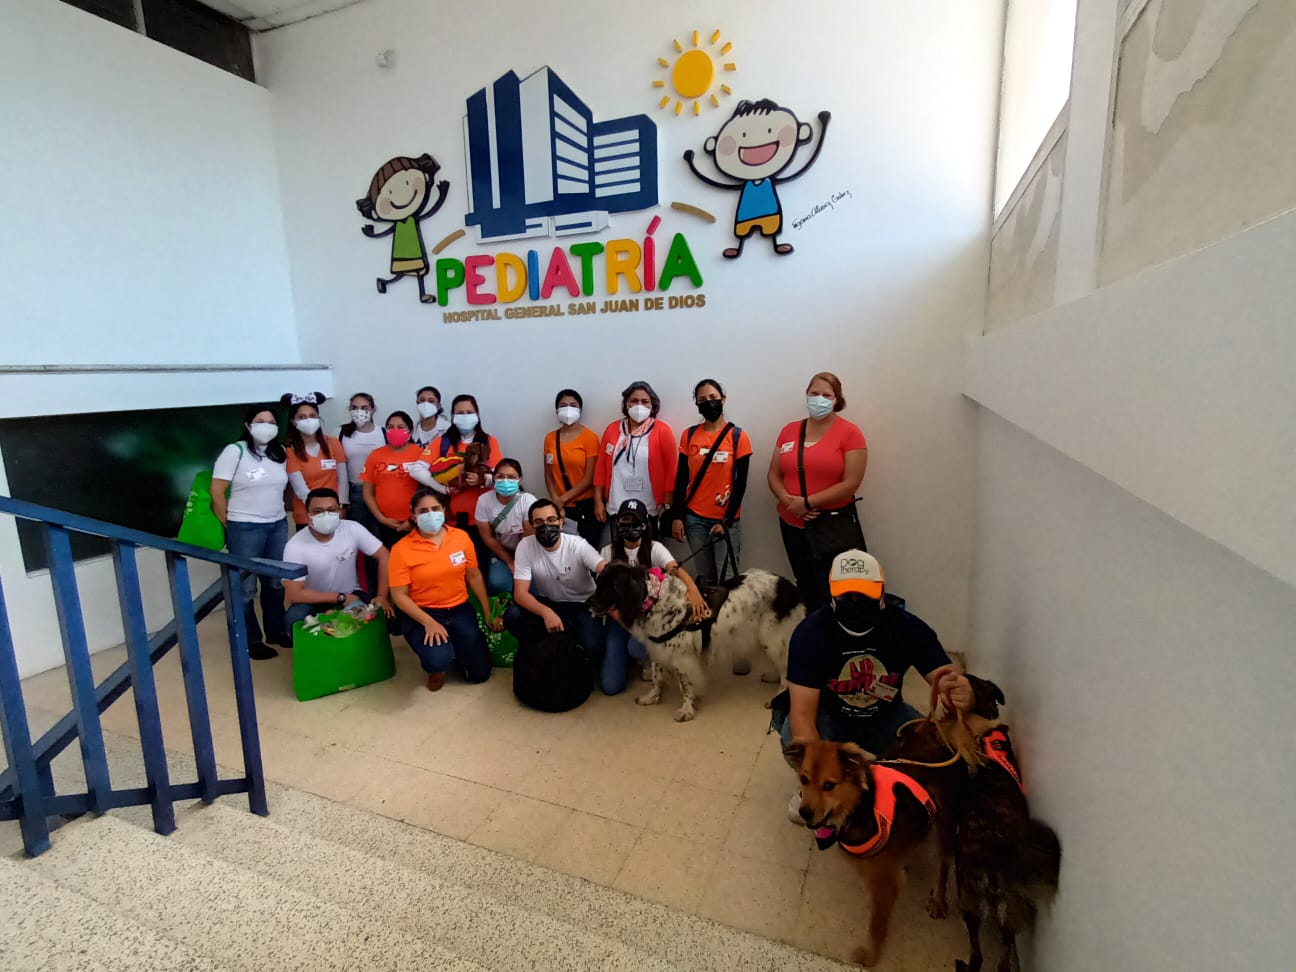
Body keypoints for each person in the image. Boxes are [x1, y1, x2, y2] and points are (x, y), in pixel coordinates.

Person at [775, 550, 973, 821]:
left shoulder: (907, 628)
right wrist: (818, 776)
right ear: (831, 595)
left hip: (886, 716)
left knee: (933, 749)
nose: (856, 602)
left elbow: (945, 677)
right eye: (847, 596)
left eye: (864, 595)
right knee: (793, 737)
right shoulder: (810, 634)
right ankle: (816, 787)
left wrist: (961, 692)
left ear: (881, 593)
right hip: (831, 718)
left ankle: (885, 785)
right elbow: (802, 714)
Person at [767, 371, 868, 611]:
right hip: (792, 523)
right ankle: (811, 627)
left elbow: (851, 483)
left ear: (837, 399)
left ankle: (833, 629)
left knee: (834, 586)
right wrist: (789, 503)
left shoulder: (850, 433)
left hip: (831, 526)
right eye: (814, 393)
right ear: (807, 394)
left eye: (827, 395)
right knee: (804, 582)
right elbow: (773, 473)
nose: (819, 399)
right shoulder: (789, 430)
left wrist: (807, 503)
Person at [388, 488, 501, 691]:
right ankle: (436, 669)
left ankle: (456, 648)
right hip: (423, 613)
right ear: (413, 515)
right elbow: (399, 596)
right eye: (423, 511)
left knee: (480, 674)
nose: (430, 514)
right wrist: (428, 622)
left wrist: (487, 611)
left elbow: (474, 576)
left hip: (459, 609)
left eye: (435, 508)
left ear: (444, 510)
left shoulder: (461, 537)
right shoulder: (401, 549)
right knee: (438, 658)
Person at [599, 499, 709, 695]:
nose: (629, 526)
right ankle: (630, 656)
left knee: (637, 648)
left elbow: (674, 569)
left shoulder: (654, 548)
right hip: (620, 618)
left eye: (635, 521)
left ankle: (646, 658)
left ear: (644, 525)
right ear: (617, 523)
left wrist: (693, 589)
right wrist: (629, 626)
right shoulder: (607, 552)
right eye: (625, 521)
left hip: (649, 616)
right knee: (611, 686)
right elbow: (605, 598)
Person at [210, 404, 290, 659]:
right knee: (245, 588)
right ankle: (252, 640)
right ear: (248, 425)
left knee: (275, 582)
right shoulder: (235, 451)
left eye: (271, 422)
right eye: (260, 421)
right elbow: (216, 491)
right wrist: (230, 524)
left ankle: (276, 631)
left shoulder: (280, 452)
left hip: (277, 524)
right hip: (244, 526)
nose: (267, 426)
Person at [504, 499, 607, 668]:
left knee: (593, 646)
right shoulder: (525, 546)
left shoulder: (577, 545)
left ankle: (571, 645)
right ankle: (539, 651)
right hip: (550, 602)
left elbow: (603, 567)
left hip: (583, 604)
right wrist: (546, 613)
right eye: (539, 522)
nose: (546, 526)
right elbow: (520, 594)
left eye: (551, 520)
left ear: (561, 522)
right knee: (513, 615)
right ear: (532, 527)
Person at [669, 378, 753, 582]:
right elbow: (681, 479)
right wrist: (677, 516)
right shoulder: (689, 435)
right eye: (702, 399)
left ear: (723, 399)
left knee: (728, 580)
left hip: (725, 520)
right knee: (705, 578)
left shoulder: (738, 436)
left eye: (713, 397)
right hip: (694, 519)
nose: (709, 402)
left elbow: (741, 484)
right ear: (697, 404)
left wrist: (727, 521)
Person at [282, 488, 393, 630]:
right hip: (312, 600)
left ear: (339, 510)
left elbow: (384, 555)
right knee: (294, 620)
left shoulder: (353, 529)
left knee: (384, 618)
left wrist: (382, 596)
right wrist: (340, 597)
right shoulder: (295, 546)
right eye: (318, 511)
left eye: (331, 510)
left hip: (351, 594)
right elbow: (294, 594)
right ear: (308, 514)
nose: (325, 515)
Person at [415, 394, 502, 567]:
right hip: (450, 521)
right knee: (454, 566)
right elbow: (417, 470)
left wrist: (483, 479)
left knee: (479, 567)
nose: (465, 416)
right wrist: (442, 489)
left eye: (469, 412)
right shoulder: (443, 442)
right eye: (460, 413)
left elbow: (501, 475)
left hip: (483, 521)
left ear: (477, 414)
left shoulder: (489, 441)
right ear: (452, 416)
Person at [593, 381, 677, 543]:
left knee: (646, 553)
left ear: (653, 405)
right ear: (626, 404)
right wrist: (598, 501)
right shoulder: (612, 429)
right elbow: (601, 467)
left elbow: (671, 469)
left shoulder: (662, 430)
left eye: (645, 401)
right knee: (609, 550)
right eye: (634, 401)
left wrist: (667, 502)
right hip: (616, 503)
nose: (639, 406)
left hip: (649, 506)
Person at [338, 392, 386, 591]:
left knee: (381, 540)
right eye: (355, 408)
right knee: (361, 543)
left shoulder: (383, 433)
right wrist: (343, 502)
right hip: (355, 492)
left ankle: (383, 588)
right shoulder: (341, 433)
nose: (359, 412)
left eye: (364, 408)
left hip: (381, 492)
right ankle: (366, 588)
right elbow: (340, 469)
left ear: (373, 410)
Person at [542, 388, 601, 547]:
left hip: (585, 507)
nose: (568, 409)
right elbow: (548, 474)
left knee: (587, 551)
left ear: (580, 409)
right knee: (562, 550)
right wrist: (556, 500)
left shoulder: (590, 437)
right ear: (557, 410)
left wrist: (563, 499)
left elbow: (590, 477)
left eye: (573, 405)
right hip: (560, 508)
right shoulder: (550, 438)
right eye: (563, 405)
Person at [282, 392, 348, 528]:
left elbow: (342, 478)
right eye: (302, 417)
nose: (308, 420)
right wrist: (318, 510)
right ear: (293, 422)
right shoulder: (290, 450)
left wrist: (342, 505)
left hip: (334, 510)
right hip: (307, 513)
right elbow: (300, 488)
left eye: (312, 416)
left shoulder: (332, 442)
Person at [473, 458, 537, 596]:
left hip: (527, 550)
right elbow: (488, 537)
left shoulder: (528, 501)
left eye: (511, 477)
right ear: (493, 478)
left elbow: (529, 536)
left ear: (520, 479)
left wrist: (519, 564)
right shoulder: (484, 500)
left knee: (532, 587)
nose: (505, 481)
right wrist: (509, 561)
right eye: (500, 476)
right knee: (498, 583)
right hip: (500, 549)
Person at [360, 411, 422, 548]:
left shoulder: (420, 454)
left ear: (411, 431)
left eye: (400, 427)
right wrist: (381, 518)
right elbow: (367, 492)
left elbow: (427, 492)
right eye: (391, 427)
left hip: (415, 521)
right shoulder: (376, 455)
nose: (395, 430)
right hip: (385, 522)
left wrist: (413, 520)